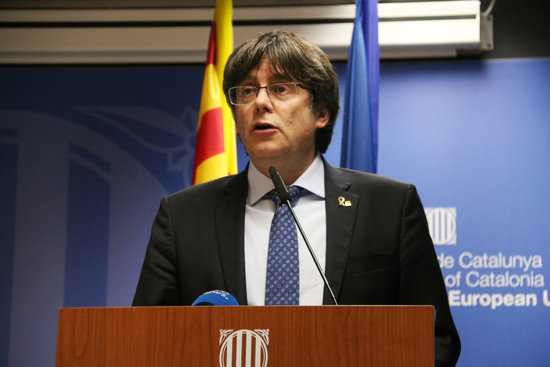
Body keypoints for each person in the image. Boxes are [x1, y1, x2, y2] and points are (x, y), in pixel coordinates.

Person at [133, 30, 460, 366]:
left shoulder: (390, 207)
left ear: (322, 113)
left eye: (280, 88)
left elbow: (435, 340)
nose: (260, 102)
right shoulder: (184, 216)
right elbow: (145, 339)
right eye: (247, 91)